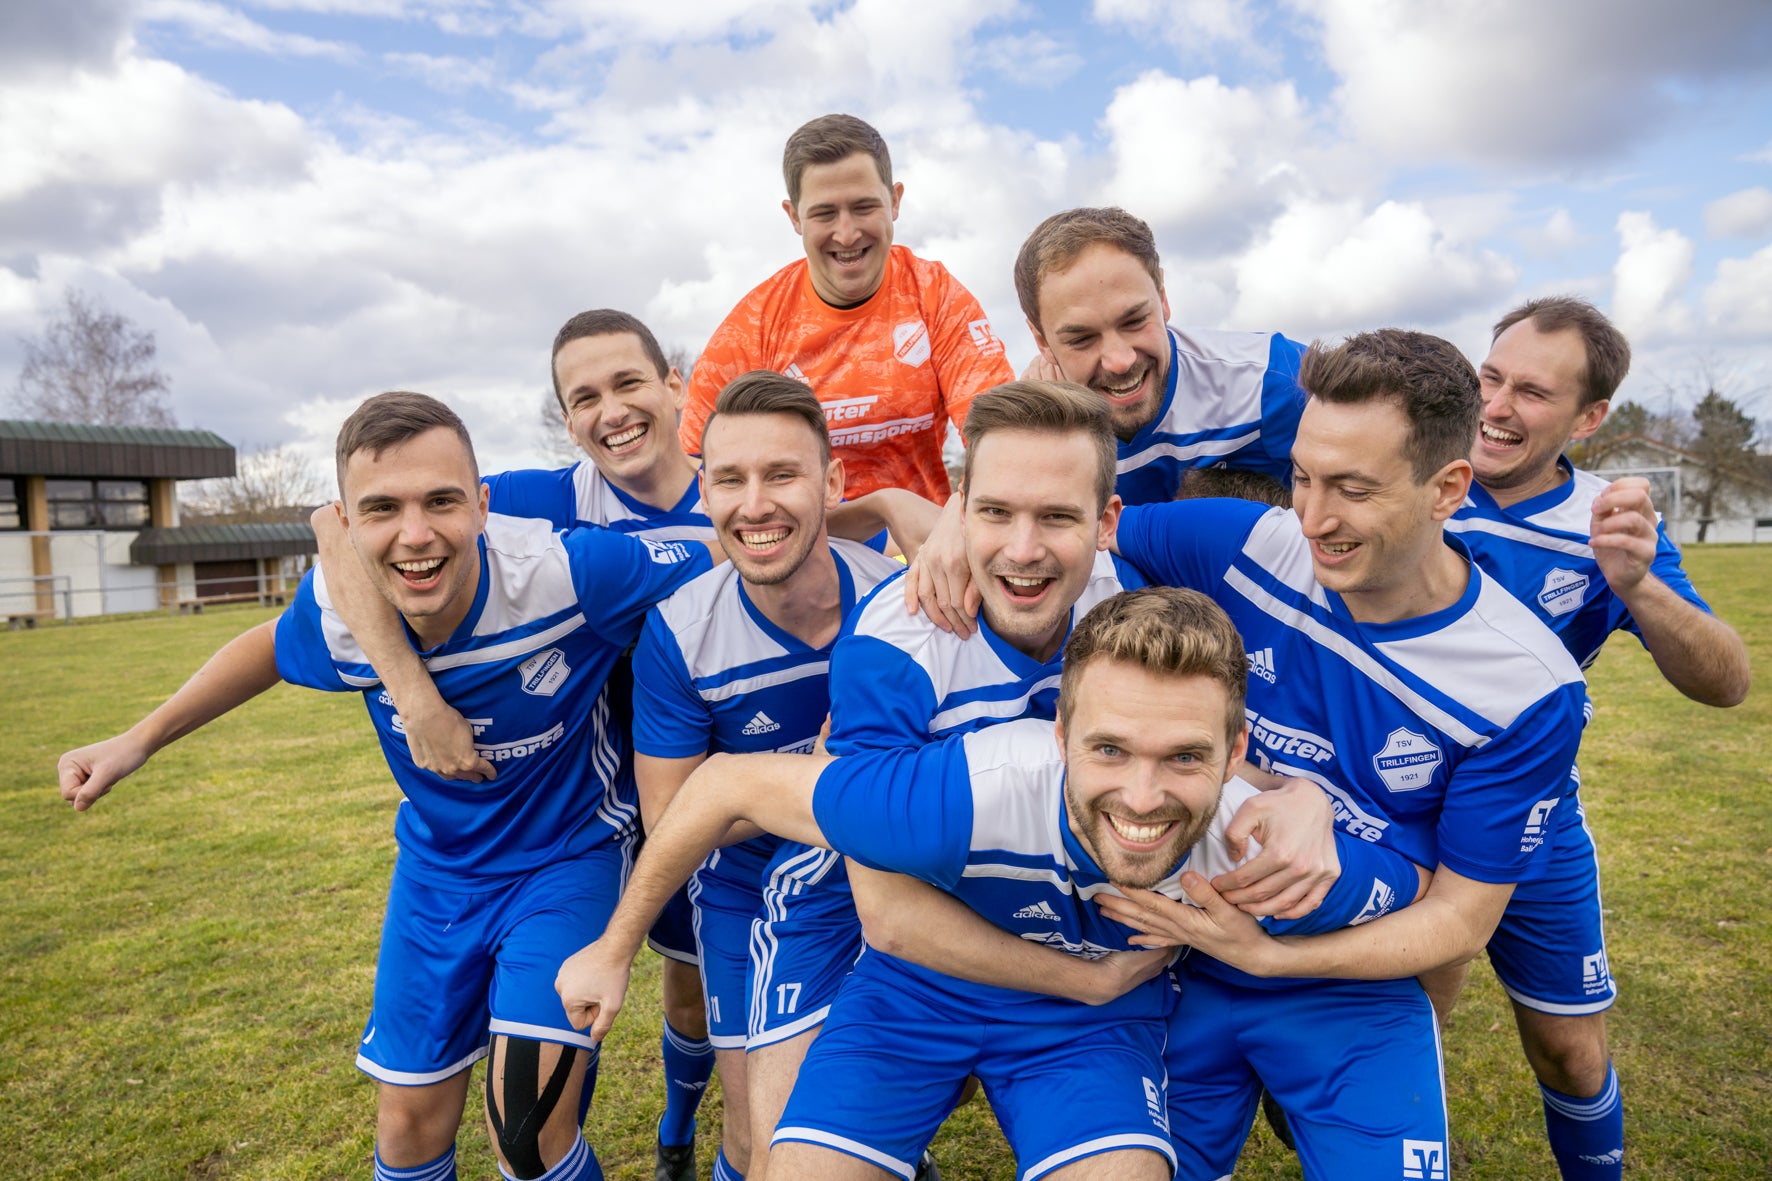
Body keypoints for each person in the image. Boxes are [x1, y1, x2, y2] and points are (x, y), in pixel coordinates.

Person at [556, 587, 1427, 1181]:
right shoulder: (965, 789)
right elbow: (723, 784)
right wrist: (612, 945)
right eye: (1110, 749)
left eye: (1187, 757)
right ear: (1058, 736)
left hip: (1086, 1026)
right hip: (917, 997)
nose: (1143, 796)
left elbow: (1427, 894)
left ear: (1237, 756)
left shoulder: (1261, 844)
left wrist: (1306, 805)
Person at [57, 392, 713, 1181]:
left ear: (482, 503)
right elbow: (270, 646)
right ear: (346, 522)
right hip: (438, 875)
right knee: (406, 1129)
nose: (415, 533)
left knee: (527, 1120)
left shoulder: (568, 573)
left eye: (440, 500)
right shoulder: (341, 615)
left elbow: (738, 551)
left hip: (568, 856)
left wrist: (888, 527)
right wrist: (135, 740)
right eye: (381, 509)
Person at [1076, 329, 1590, 1177]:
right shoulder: (1247, 544)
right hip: (1188, 953)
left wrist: (1276, 956)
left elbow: (1461, 918)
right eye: (1304, 478)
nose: (1313, 520)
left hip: (1352, 971)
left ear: (1447, 488)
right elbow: (1067, 531)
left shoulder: (1525, 684)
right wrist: (940, 530)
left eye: (1352, 489)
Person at [1433, 297, 1752, 1179]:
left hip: (1532, 825)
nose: (1494, 405)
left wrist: (1639, 589)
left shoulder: (1604, 525)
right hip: (1399, 812)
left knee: (1570, 1053)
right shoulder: (1411, 471)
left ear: (1589, 417)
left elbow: (1728, 680)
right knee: (1401, 1038)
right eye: (1489, 377)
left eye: (1531, 391)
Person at [628, 372, 904, 1181]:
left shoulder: (898, 599)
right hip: (746, 892)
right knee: (758, 1144)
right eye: (729, 479)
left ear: (832, 481)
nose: (755, 504)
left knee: (877, 1102)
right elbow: (672, 813)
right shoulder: (682, 631)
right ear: (704, 491)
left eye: (781, 474)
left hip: (883, 878)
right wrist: (807, 775)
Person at [909, 206, 1307, 634]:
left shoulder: (1272, 380)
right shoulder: (1039, 430)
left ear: (1164, 298)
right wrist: (956, 518)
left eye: (1135, 321)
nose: (1120, 362)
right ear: (1041, 339)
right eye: (1081, 338)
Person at [679, 113, 1015, 504]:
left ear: (894, 201)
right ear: (794, 217)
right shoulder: (752, 328)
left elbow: (999, 436)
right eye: (824, 214)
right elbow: (693, 464)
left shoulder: (936, 297)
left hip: (923, 542)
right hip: (797, 542)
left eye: (863, 207)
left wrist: (961, 515)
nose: (847, 233)